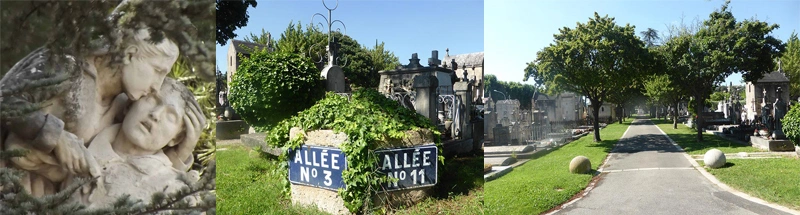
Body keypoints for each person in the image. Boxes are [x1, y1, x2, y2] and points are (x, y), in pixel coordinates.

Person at [1, 27, 179, 196]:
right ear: (129, 54)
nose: (158, 86)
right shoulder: (68, 66)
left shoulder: (123, 107)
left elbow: (135, 159)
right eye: (158, 71)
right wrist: (57, 137)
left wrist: (180, 153)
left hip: (48, 201)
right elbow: (5, 100)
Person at [79, 78, 205, 207]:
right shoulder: (75, 147)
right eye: (151, 100)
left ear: (176, 138)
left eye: (170, 116)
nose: (155, 114)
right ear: (129, 105)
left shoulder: (176, 193)